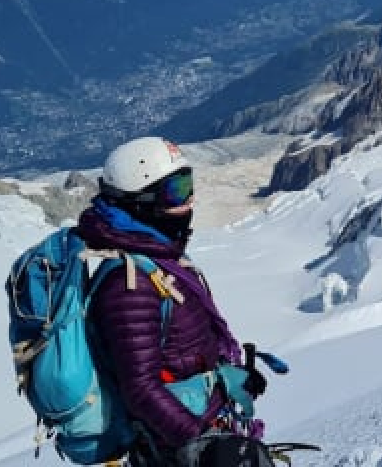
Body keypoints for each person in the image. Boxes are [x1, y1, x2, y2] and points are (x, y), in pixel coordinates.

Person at [75, 136, 266, 466]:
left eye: (188, 184)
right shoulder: (129, 285)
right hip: (176, 450)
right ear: (141, 202)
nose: (189, 201)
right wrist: (203, 443)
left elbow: (179, 354)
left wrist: (231, 377)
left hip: (206, 428)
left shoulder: (157, 259)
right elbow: (140, 389)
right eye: (176, 191)